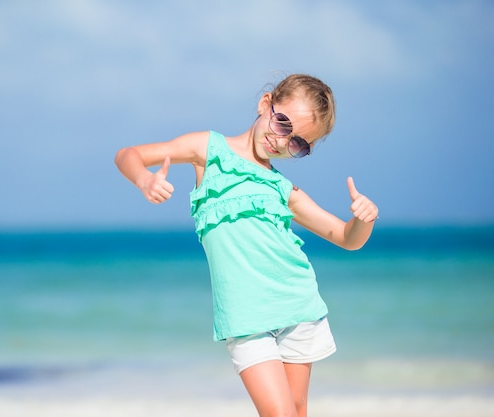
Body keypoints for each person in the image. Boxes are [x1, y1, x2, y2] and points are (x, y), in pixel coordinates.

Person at [114, 73, 378, 417]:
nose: (282, 142)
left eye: (298, 143)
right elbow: (128, 154)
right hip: (245, 317)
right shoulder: (209, 150)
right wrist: (144, 179)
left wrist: (364, 219)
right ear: (265, 103)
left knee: (297, 411)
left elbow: (346, 238)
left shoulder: (283, 189)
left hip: (298, 307)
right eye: (283, 123)